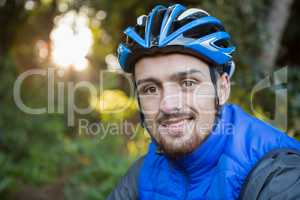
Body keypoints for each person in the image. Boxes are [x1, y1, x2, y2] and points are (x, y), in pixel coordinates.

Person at [107, 4, 300, 200]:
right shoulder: (144, 173)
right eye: (150, 89)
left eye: (188, 83)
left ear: (222, 89)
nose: (168, 105)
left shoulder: (276, 174)